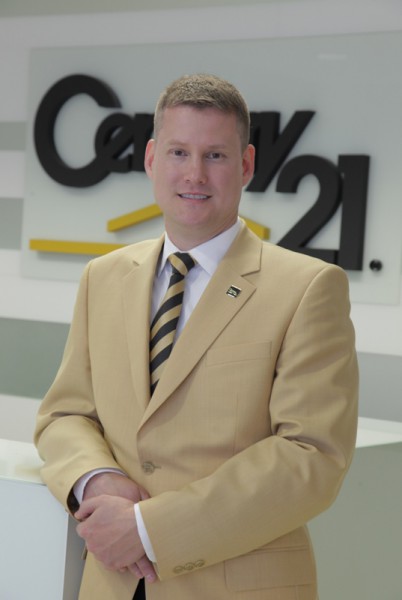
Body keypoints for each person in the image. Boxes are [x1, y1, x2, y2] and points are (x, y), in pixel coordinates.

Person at [34, 73, 358, 600]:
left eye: (215, 156)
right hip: (113, 582)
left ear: (246, 165)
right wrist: (97, 479)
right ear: (151, 159)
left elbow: (311, 455)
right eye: (179, 152)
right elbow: (65, 413)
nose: (194, 174)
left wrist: (148, 529)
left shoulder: (308, 288)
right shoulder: (103, 277)